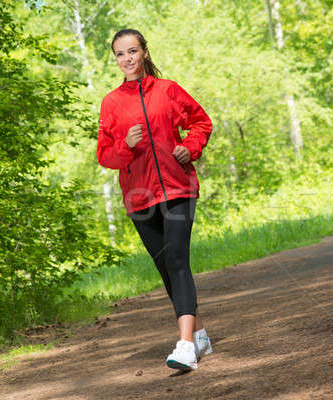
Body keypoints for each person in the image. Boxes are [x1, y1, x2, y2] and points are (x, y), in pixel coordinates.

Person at [96, 29, 213, 371]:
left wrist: (189, 148)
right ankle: (200, 334)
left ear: (145, 53)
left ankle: (186, 346)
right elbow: (105, 156)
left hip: (178, 189)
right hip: (140, 198)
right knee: (167, 269)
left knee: (177, 259)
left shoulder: (168, 90)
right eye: (120, 54)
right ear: (115, 59)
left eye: (132, 51)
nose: (127, 59)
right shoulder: (111, 103)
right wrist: (126, 146)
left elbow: (201, 123)